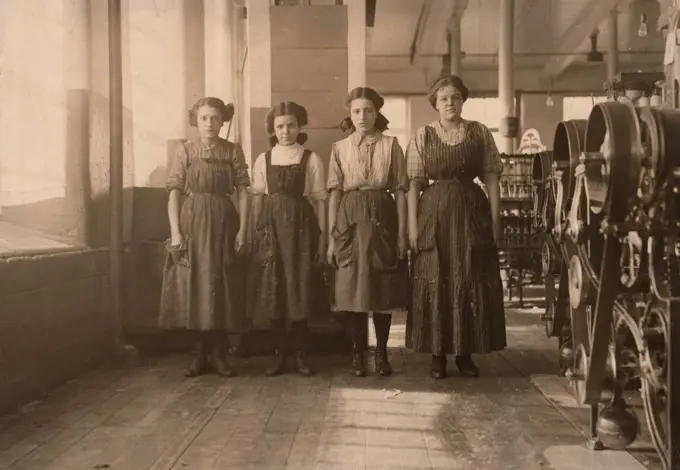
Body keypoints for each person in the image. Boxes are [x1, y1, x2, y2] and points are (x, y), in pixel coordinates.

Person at [405, 74, 507, 379]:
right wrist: (412, 228)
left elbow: (491, 177)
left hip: (471, 213)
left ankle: (465, 354)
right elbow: (413, 184)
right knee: (436, 276)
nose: (450, 103)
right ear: (435, 103)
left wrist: (496, 217)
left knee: (469, 275)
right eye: (444, 98)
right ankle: (438, 355)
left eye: (455, 97)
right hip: (434, 215)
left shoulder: (479, 133)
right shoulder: (422, 135)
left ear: (463, 101)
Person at [159, 96, 250, 378]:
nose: (209, 123)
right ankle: (198, 356)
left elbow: (244, 192)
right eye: (204, 118)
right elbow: (174, 191)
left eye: (214, 118)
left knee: (221, 285)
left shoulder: (233, 151)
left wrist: (244, 230)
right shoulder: (185, 151)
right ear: (196, 121)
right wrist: (176, 233)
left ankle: (220, 355)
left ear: (222, 121)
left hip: (224, 222)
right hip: (193, 221)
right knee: (195, 286)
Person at [327, 87, 409, 378]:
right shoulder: (340, 148)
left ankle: (382, 354)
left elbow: (400, 191)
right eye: (357, 111)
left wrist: (401, 234)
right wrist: (331, 238)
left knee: (381, 289)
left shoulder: (391, 145)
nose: (363, 116)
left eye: (369, 110)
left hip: (381, 217)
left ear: (377, 113)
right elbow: (334, 193)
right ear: (350, 114)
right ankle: (356, 355)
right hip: (349, 218)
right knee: (352, 290)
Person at [248, 101, 327, 377]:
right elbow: (257, 200)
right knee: (275, 291)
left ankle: (301, 356)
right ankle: (279, 355)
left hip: (301, 230)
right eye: (280, 126)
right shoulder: (263, 159)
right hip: (271, 230)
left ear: (299, 126)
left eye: (291, 125)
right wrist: (256, 231)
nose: (285, 131)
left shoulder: (310, 159)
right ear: (273, 129)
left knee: (299, 289)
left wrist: (323, 239)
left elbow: (319, 202)